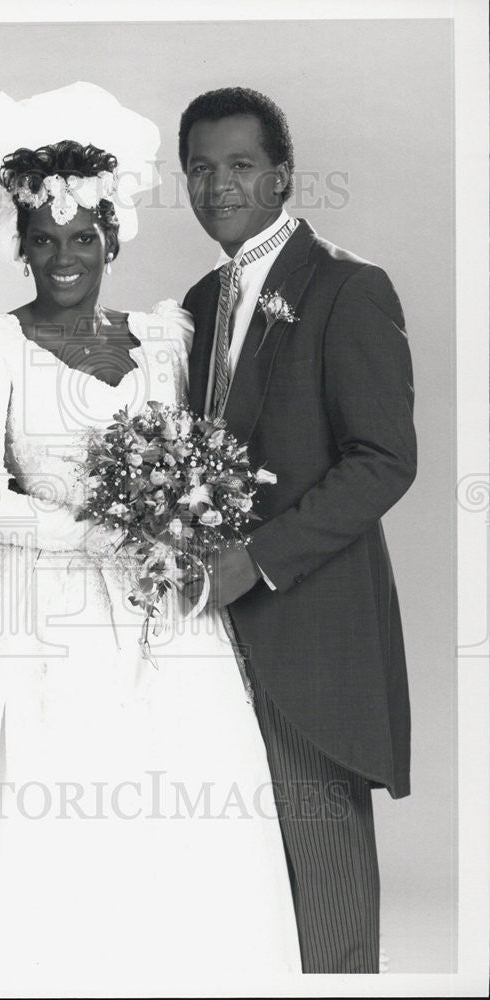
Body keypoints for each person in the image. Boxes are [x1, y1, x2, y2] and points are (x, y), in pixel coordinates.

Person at [0, 127, 302, 989]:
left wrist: (180, 519)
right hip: (33, 609)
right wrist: (95, 529)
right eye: (41, 241)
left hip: (155, 605)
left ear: (111, 237)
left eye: (81, 238)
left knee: (168, 801)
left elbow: (192, 454)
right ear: (21, 248)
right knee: (43, 805)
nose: (62, 257)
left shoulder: (164, 339)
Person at [179, 87, 417, 973]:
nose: (218, 186)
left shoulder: (348, 288)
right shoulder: (199, 301)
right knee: (237, 877)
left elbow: (383, 460)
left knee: (322, 878)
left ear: (282, 175)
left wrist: (258, 561)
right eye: (200, 169)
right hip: (206, 631)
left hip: (307, 624)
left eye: (239, 166)